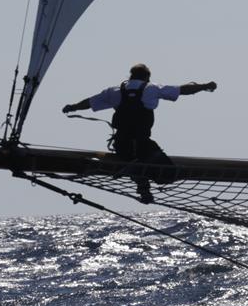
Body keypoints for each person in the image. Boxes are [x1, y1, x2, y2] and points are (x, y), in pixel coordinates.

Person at [62, 63, 216, 203]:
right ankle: (139, 171)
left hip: (122, 145)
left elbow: (89, 102)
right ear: (147, 77)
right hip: (143, 144)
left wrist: (72, 107)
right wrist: (203, 86)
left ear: (130, 76)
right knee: (167, 175)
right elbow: (183, 90)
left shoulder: (113, 91)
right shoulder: (151, 88)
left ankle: (141, 182)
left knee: (135, 162)